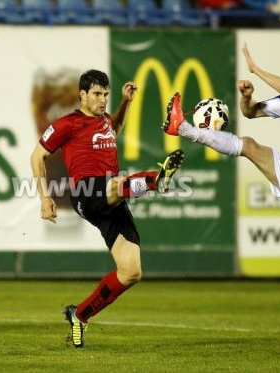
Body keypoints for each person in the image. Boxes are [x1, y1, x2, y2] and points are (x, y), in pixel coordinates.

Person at [164, 44, 280, 355]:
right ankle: (181, 127)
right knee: (248, 144)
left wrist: (256, 69)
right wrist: (246, 97)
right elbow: (250, 113)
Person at [31, 69, 184, 348]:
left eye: (105, 94)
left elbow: (115, 129)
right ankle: (155, 179)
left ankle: (80, 315)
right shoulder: (68, 123)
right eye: (97, 94)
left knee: (131, 272)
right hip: (86, 194)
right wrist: (44, 197)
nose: (102, 100)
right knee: (116, 182)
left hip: (113, 198)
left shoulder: (104, 122)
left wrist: (125, 103)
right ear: (82, 94)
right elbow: (37, 156)